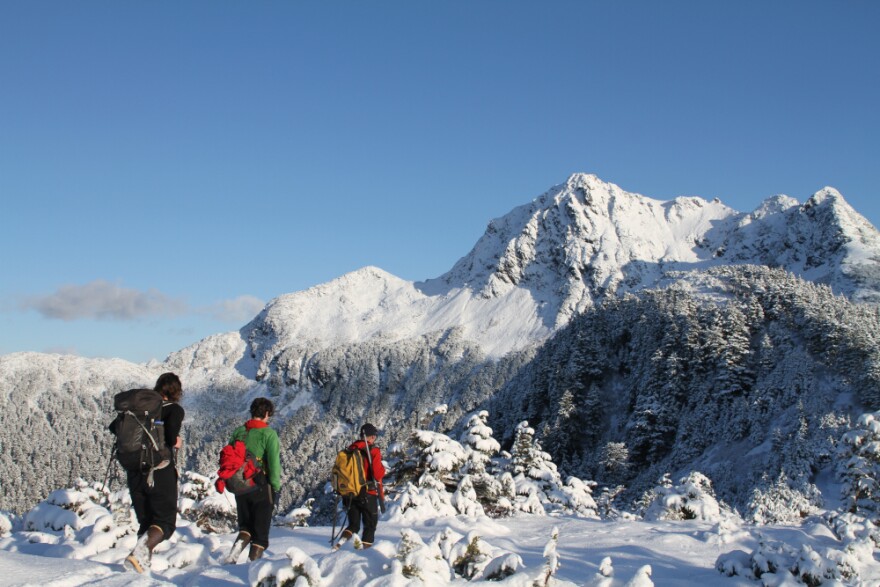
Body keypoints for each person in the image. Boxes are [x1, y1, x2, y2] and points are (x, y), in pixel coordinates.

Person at [112, 372, 185, 573]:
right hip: (159, 471)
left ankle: (139, 568)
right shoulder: (174, 409)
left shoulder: (139, 409)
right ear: (176, 392)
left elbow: (113, 428)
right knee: (164, 522)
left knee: (146, 522)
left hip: (134, 469)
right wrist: (176, 441)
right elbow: (170, 437)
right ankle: (140, 554)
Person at [225, 397, 282, 563]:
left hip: (239, 486)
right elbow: (273, 463)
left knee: (246, 528)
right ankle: (252, 567)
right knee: (260, 535)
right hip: (259, 486)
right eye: (268, 415)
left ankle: (232, 557)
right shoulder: (268, 434)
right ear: (266, 413)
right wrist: (275, 487)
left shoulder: (239, 431)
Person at [336, 423, 385, 550]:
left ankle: (339, 545)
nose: (375, 438)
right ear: (371, 436)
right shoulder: (373, 450)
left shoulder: (350, 449)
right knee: (370, 525)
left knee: (353, 525)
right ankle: (365, 552)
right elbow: (377, 473)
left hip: (350, 493)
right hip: (368, 493)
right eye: (374, 436)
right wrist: (383, 469)